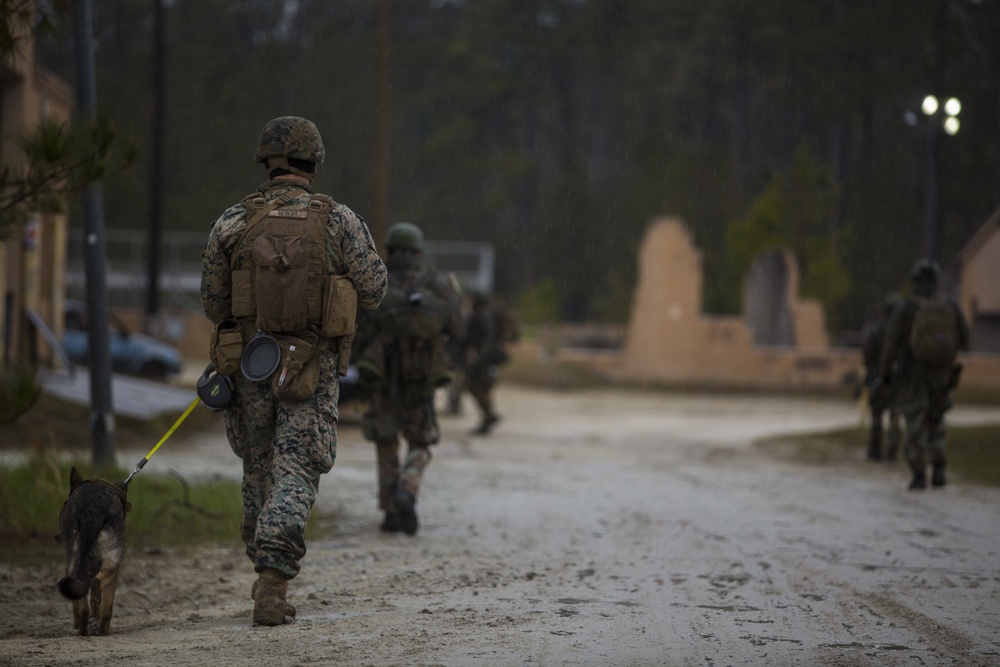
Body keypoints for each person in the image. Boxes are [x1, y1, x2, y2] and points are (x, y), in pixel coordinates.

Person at [201, 116, 387, 626]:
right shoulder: (339, 220)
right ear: (313, 162)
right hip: (309, 366)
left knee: (258, 466)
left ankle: (263, 569)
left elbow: (214, 302)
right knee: (297, 469)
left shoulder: (232, 222)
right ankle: (273, 578)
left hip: (250, 367)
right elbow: (374, 288)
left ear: (267, 161)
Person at [354, 222, 464, 536]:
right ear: (418, 252)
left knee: (386, 443)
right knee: (421, 442)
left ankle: (390, 512)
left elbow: (360, 332)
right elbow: (458, 329)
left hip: (381, 379)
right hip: (422, 380)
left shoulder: (376, 283)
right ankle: (408, 489)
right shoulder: (438, 283)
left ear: (388, 250)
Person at [880, 259, 970, 490]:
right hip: (941, 376)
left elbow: (891, 343)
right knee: (937, 420)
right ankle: (939, 467)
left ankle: (919, 473)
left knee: (915, 422)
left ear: (916, 282)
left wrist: (886, 372)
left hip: (913, 376)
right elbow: (966, 338)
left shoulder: (908, 308)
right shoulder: (949, 305)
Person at [463, 292, 519, 435]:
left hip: (487, 358)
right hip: (486, 357)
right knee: (478, 387)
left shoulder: (485, 315)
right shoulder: (480, 314)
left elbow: (489, 338)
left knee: (479, 386)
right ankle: (488, 417)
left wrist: (479, 355)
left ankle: (488, 416)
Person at [860, 293, 904, 461]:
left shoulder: (878, 330)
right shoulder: (902, 333)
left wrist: (873, 374)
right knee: (895, 416)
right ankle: (892, 451)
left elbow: (868, 355)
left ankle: (875, 449)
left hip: (878, 379)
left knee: (877, 415)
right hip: (897, 380)